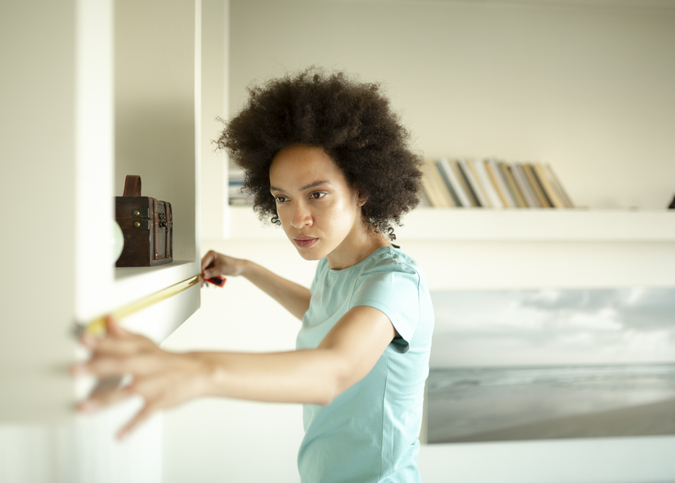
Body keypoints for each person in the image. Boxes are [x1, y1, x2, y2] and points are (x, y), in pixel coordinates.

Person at [73, 68, 434, 482]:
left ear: (363, 188)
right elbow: (323, 313)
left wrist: (196, 370)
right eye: (282, 198)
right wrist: (246, 269)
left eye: (317, 194)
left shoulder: (393, 283)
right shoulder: (337, 265)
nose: (297, 218)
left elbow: (333, 369)